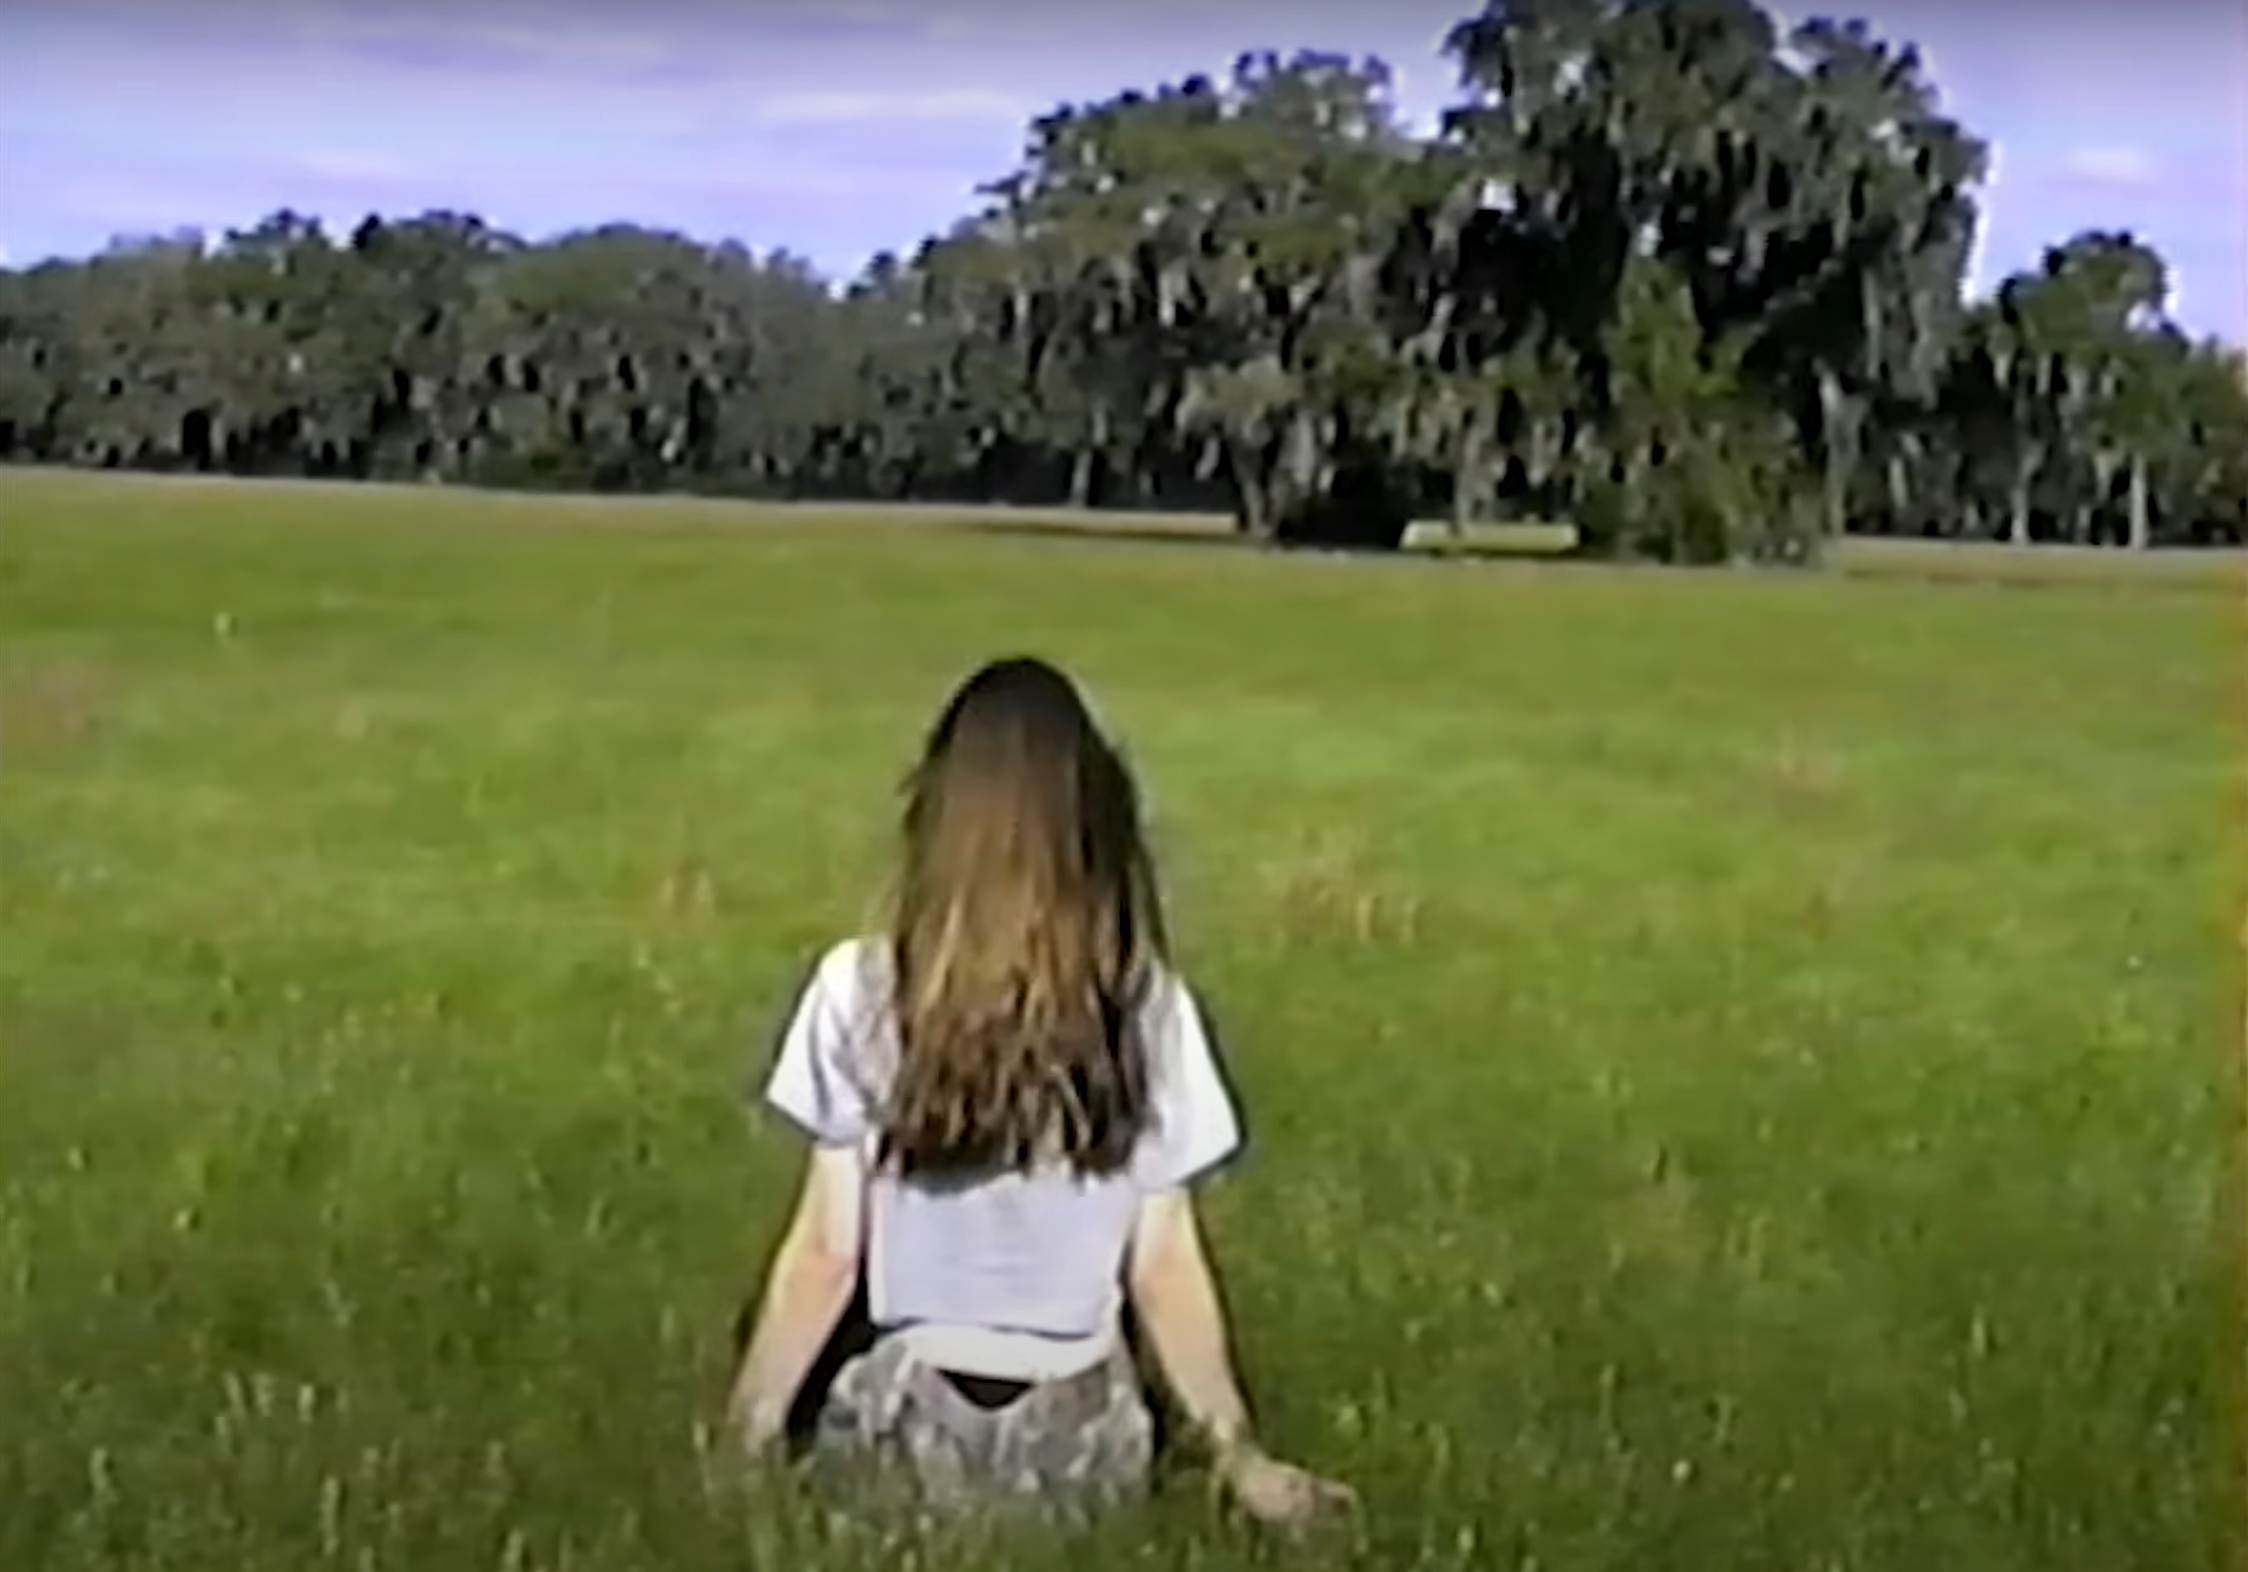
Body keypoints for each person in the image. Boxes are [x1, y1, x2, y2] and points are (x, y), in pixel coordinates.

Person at [725, 655, 1353, 1526]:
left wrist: (740, 1442)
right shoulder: (1148, 1008)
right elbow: (1165, 1266)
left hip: (903, 1432)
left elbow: (829, 1253)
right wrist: (1240, 1457)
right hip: (1081, 1443)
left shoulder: (857, 990)